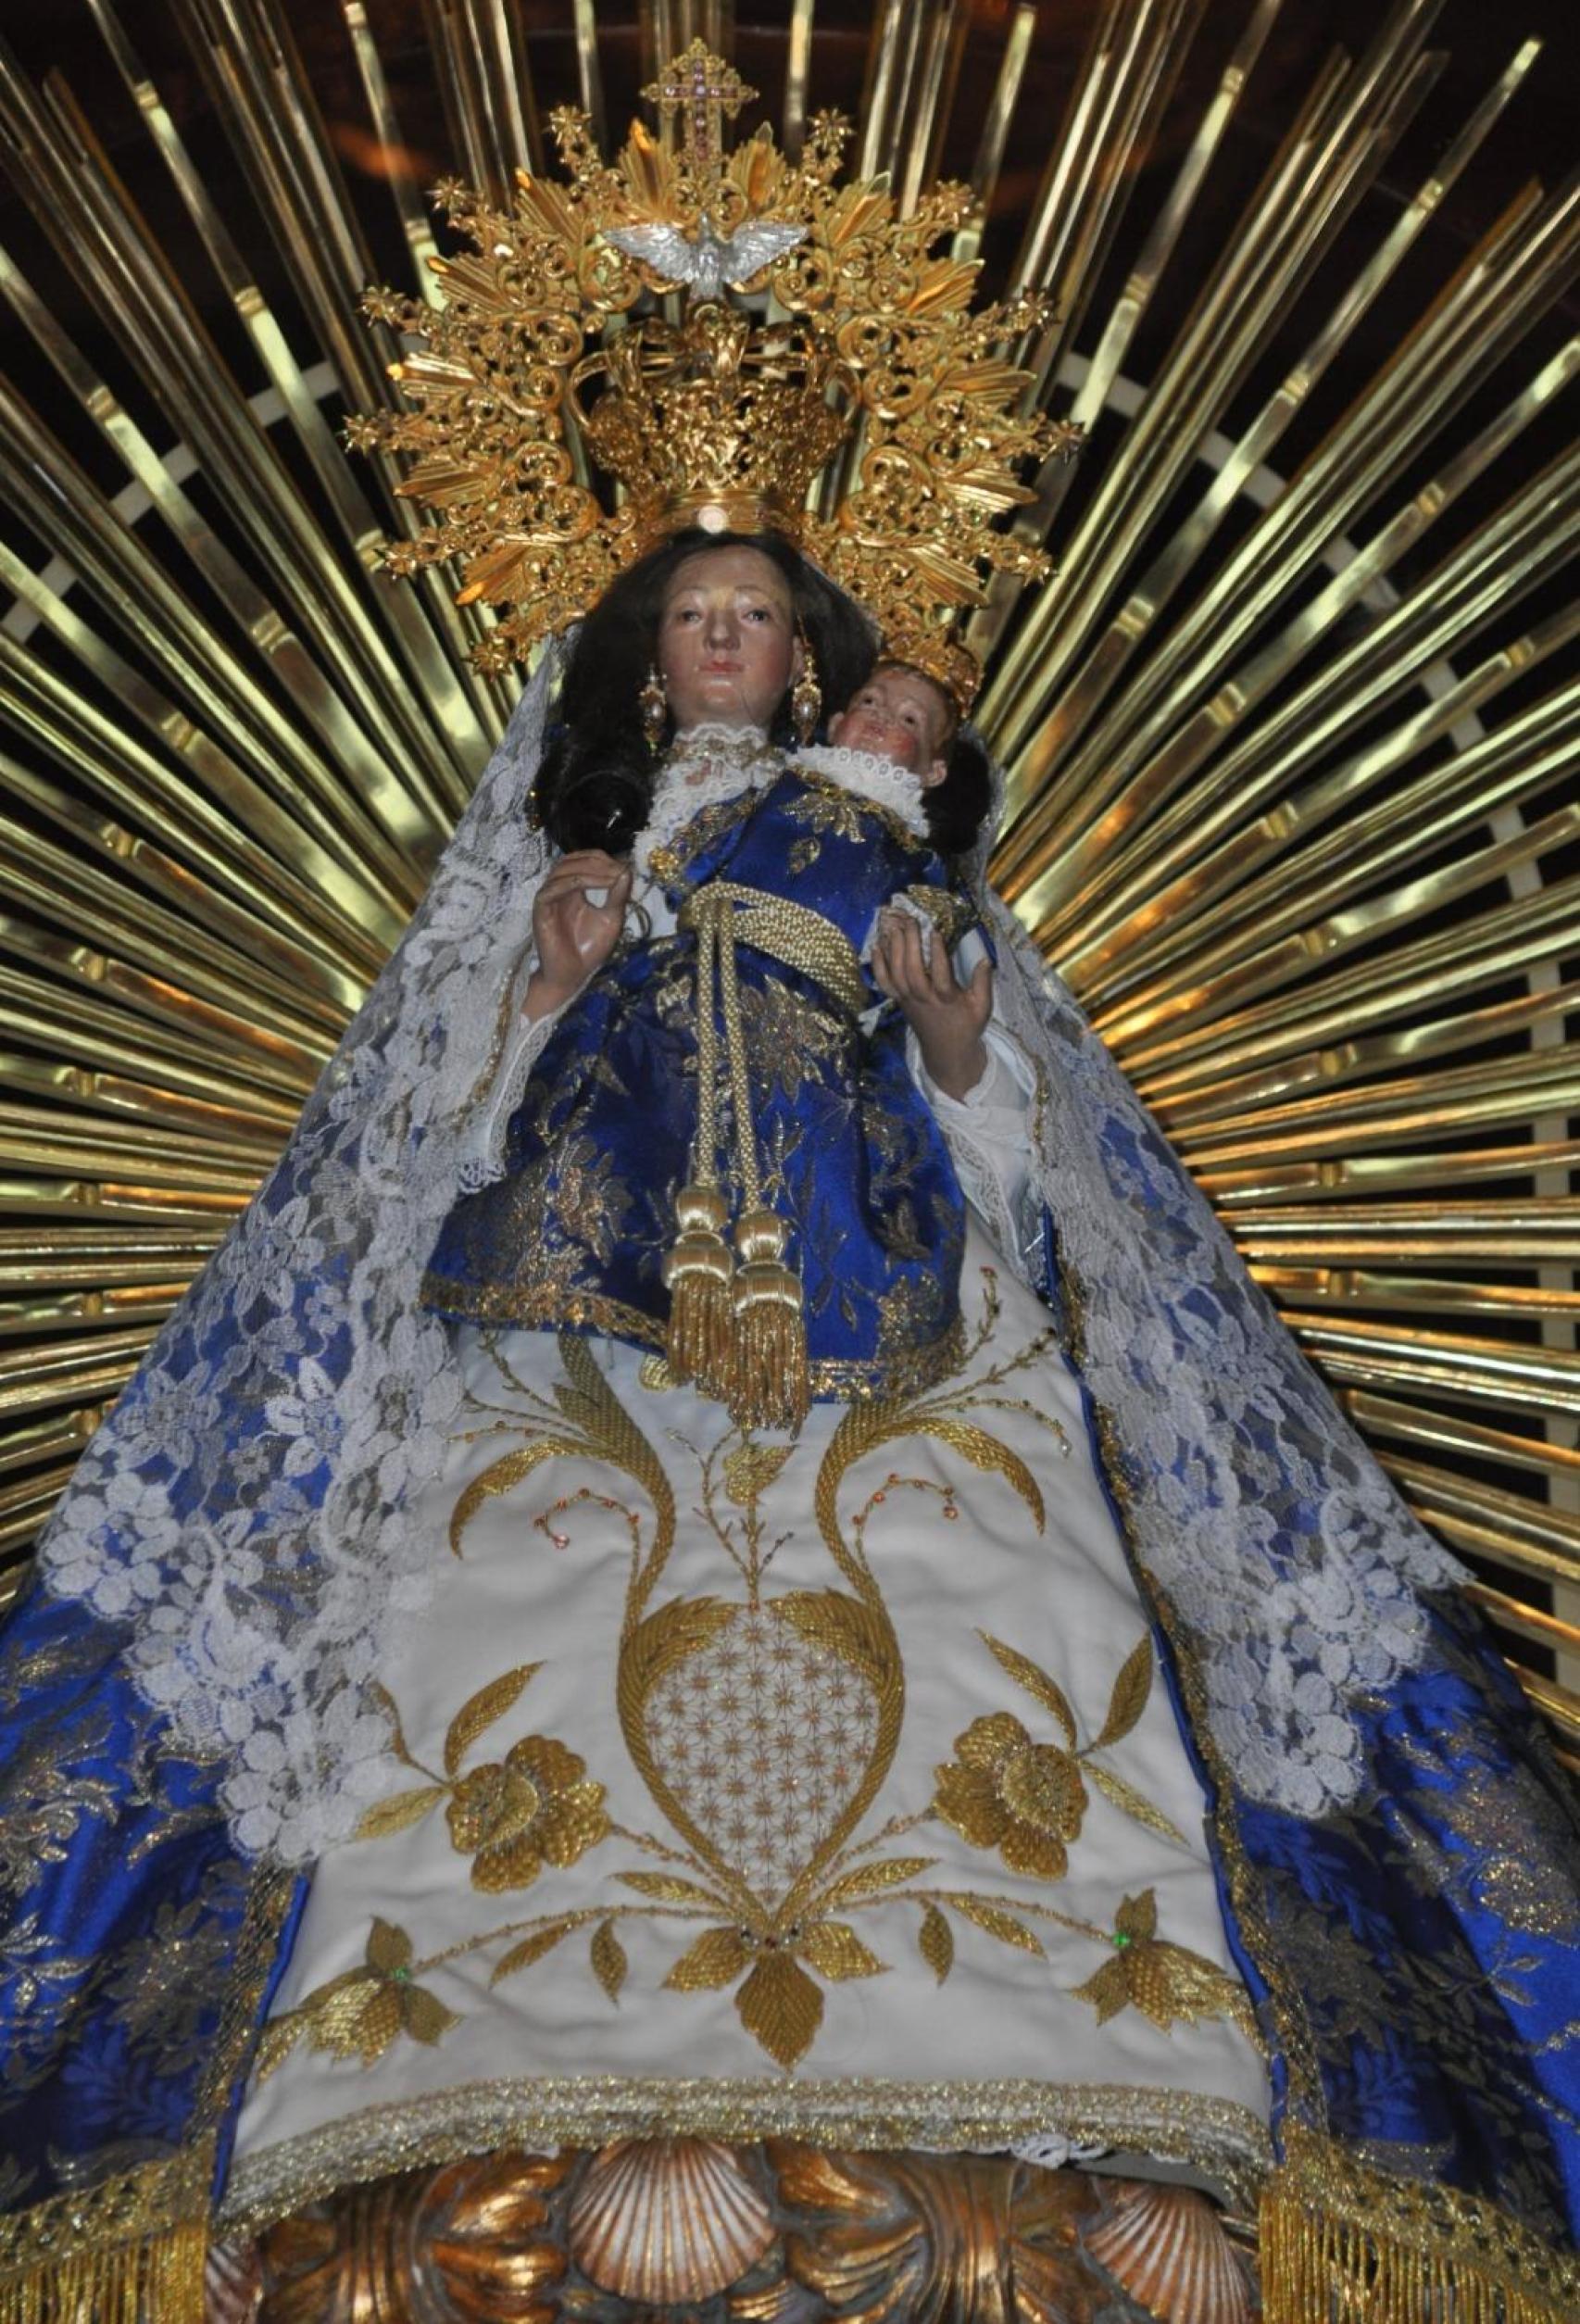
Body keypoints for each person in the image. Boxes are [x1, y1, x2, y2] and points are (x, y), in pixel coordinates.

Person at [1, 54, 1577, 2324]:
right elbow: (434, 1121)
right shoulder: (589, 852)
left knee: (992, 1558)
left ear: (826, 656)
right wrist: (547, 990)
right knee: (497, 1597)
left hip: (892, 1309)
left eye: (763, 615)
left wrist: (946, 1029)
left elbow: (1004, 1121)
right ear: (642, 654)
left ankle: (1074, 2090)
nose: (728, 641)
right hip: (577, 1321)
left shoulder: (877, 848)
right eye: (694, 617)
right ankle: (449, 2077)